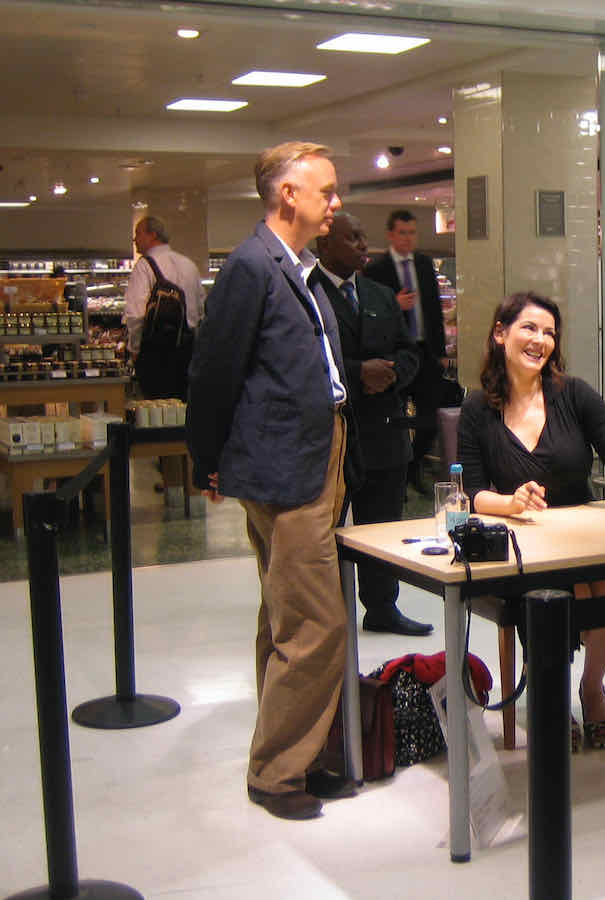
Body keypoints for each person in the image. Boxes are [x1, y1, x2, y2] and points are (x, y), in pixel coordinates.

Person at [187, 141, 359, 821]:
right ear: (288, 194)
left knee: (287, 615)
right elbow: (212, 372)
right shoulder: (252, 267)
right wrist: (209, 459)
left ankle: (299, 750)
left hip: (317, 453)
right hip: (285, 467)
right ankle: (279, 771)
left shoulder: (298, 269)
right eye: (327, 190)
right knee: (317, 622)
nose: (335, 203)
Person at [457, 291, 605, 750]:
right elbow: (472, 493)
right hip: (523, 542)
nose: (541, 340)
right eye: (529, 329)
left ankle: (590, 686)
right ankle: (549, 693)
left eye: (550, 333)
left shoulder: (573, 393)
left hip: (583, 534)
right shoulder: (478, 408)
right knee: (566, 590)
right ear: (501, 334)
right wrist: (512, 503)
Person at [315, 211, 434, 637]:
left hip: (384, 429)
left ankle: (382, 606)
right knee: (325, 531)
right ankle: (327, 615)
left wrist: (392, 374)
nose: (363, 245)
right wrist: (357, 372)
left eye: (364, 237)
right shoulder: (307, 296)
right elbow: (306, 362)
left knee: (383, 524)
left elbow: (409, 351)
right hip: (333, 437)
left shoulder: (381, 295)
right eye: (353, 238)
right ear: (325, 245)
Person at [363, 209, 448, 496]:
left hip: (425, 351)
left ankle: (414, 466)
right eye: (402, 233)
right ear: (390, 235)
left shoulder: (424, 265)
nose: (408, 239)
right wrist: (393, 304)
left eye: (412, 233)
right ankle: (396, 471)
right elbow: (368, 315)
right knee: (393, 417)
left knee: (431, 417)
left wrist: (441, 350)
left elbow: (434, 309)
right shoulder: (376, 270)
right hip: (394, 355)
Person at [123, 215, 204, 399]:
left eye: (138, 233)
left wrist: (135, 350)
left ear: (152, 235)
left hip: (156, 353)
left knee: (157, 412)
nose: (135, 239)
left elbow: (136, 315)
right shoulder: (189, 264)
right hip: (188, 351)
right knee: (183, 409)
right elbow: (200, 309)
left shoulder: (144, 267)